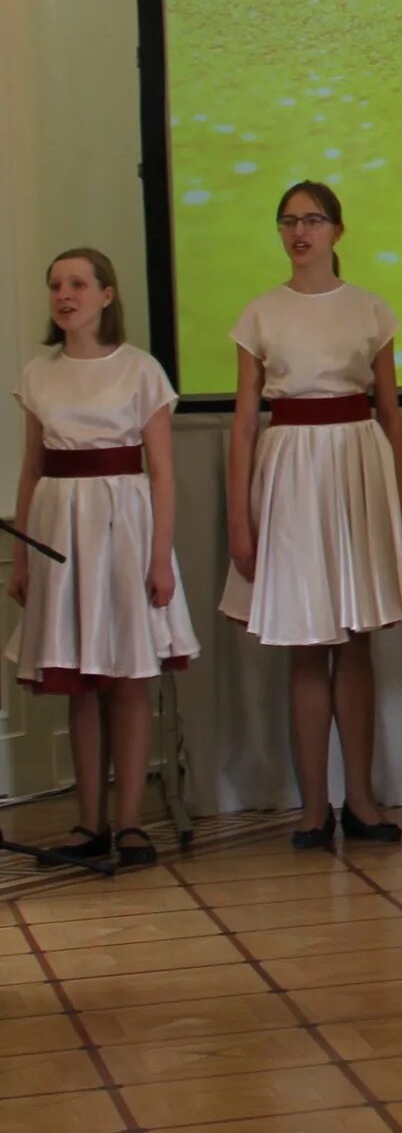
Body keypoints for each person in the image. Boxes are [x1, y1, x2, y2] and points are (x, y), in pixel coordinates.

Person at [221, 182, 402, 850]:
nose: (299, 231)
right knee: (307, 641)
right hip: (289, 473)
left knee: (356, 637)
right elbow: (244, 424)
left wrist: (399, 504)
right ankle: (313, 805)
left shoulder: (370, 308)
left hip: (356, 464)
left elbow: (389, 413)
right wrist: (240, 519)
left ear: (338, 229)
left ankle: (360, 797)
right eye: (287, 221)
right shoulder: (259, 313)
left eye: (311, 220)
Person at [6, 249, 198, 866]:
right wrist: (22, 558)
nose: (65, 295)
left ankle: (130, 822)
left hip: (125, 529)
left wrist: (160, 558)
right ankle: (88, 822)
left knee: (128, 678)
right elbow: (32, 470)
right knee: (80, 681)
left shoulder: (140, 371)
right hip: (60, 529)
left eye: (79, 284)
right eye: (56, 285)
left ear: (107, 295)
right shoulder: (39, 373)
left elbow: (162, 474)